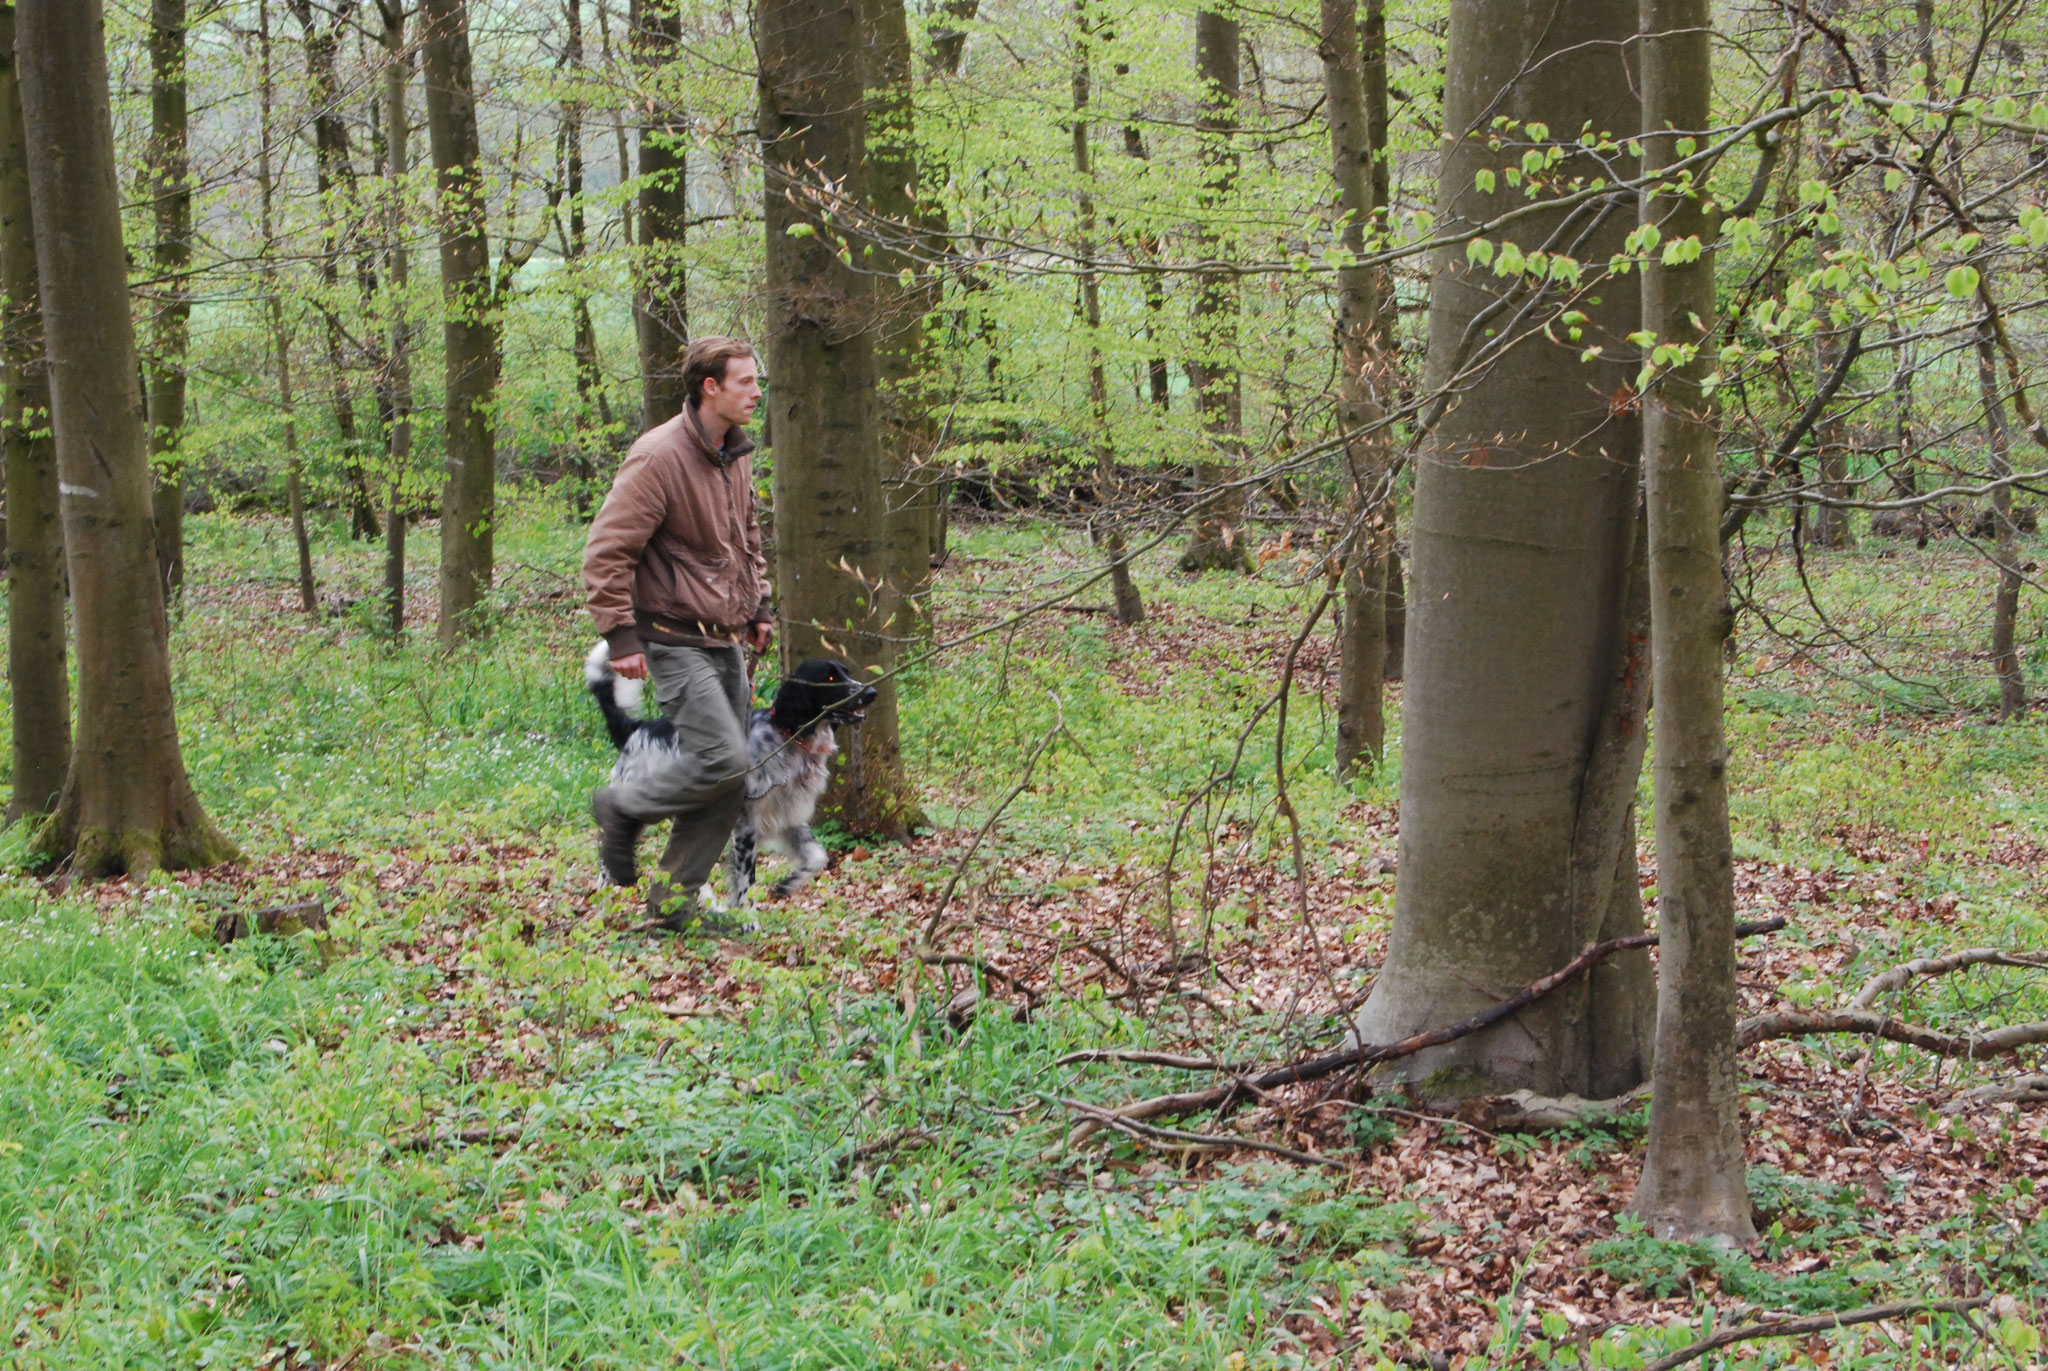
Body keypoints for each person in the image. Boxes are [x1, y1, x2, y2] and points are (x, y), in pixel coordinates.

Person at [581, 336, 772, 928]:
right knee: (725, 760)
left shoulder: (733, 452)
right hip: (670, 633)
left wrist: (760, 606)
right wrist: (620, 635)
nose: (757, 393)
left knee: (730, 781)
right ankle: (622, 807)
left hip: (725, 636)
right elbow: (607, 551)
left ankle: (671, 907)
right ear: (709, 387)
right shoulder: (658, 456)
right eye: (745, 382)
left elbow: (747, 534)